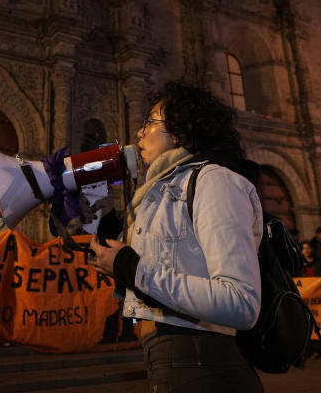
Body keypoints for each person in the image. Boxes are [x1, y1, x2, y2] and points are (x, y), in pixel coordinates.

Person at [87, 81, 264, 392]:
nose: (139, 133)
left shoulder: (214, 182)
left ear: (180, 132)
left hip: (202, 363)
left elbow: (240, 302)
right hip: (172, 360)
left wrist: (131, 268)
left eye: (150, 122)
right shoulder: (165, 191)